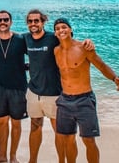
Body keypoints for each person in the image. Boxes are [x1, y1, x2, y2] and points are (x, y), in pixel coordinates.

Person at [24, 9, 94, 163]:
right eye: (30, 21)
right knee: (35, 126)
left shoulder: (52, 38)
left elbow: (70, 43)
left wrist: (87, 42)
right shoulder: (26, 39)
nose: (33, 24)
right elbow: (9, 39)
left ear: (43, 22)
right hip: (34, 92)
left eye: (36, 21)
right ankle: (32, 160)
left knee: (61, 132)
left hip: (55, 93)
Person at [53, 18, 119, 163]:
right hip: (65, 100)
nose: (61, 30)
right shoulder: (55, 51)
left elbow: (101, 65)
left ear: (71, 30)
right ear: (55, 33)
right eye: (58, 28)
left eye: (64, 27)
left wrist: (114, 78)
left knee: (88, 140)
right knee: (67, 139)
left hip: (84, 99)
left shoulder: (83, 48)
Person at [0, 10, 28, 163]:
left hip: (19, 88)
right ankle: (2, 155)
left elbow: (38, 53)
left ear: (10, 22)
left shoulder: (20, 39)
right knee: (2, 122)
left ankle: (13, 156)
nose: (2, 22)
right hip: (0, 88)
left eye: (5, 19)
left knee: (16, 123)